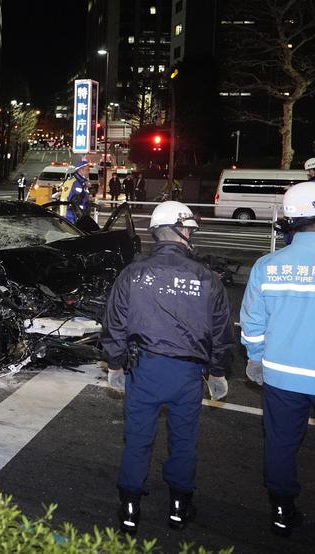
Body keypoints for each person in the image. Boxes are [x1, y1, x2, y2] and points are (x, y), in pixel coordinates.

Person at [102, 200, 234, 536]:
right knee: (184, 440)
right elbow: (222, 333)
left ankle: (129, 508)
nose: (190, 233)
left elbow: (114, 325)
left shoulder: (133, 274)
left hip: (144, 370)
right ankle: (179, 506)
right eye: (188, 228)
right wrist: (218, 372)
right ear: (177, 230)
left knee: (137, 440)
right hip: (187, 376)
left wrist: (115, 365)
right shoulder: (207, 278)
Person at [239, 181, 315, 537]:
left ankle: (282, 510)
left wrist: (255, 359)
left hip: (282, 375)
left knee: (281, 444)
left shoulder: (268, 266)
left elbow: (252, 325)